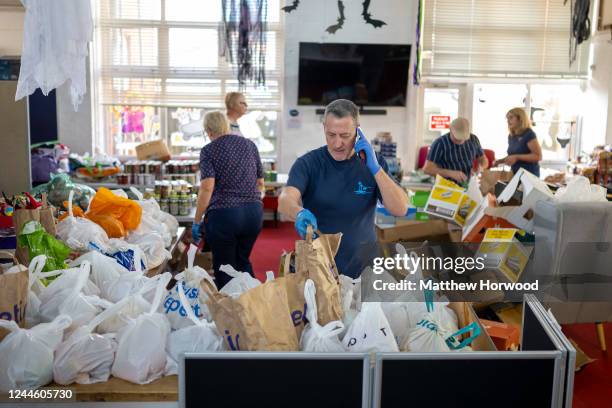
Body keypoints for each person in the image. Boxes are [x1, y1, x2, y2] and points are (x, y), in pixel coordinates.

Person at [278, 99, 408, 278]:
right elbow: (285, 199)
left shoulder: (374, 163)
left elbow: (400, 209)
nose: (337, 143)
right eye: (331, 134)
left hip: (364, 267)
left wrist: (376, 169)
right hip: (319, 268)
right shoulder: (308, 163)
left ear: (358, 130)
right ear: (324, 127)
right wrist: (298, 212)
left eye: (345, 136)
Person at [192, 111, 265, 289]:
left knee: (225, 267)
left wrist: (197, 220)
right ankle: (255, 305)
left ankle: (230, 312)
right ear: (226, 126)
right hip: (253, 214)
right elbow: (261, 182)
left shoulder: (209, 150)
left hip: (225, 216)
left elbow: (207, 187)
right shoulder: (249, 145)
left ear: (208, 131)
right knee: (243, 261)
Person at [423, 117, 488, 184]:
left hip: (468, 184)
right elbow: (427, 169)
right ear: (450, 129)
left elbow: (483, 160)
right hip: (446, 187)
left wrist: (480, 168)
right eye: (457, 137)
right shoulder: (439, 143)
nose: (461, 140)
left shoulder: (473, 139)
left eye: (463, 138)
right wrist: (450, 173)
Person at [494, 107, 542, 177]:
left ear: (520, 119)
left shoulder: (529, 134)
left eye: (511, 118)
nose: (508, 121)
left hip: (529, 176)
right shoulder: (511, 136)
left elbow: (538, 156)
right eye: (507, 118)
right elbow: (512, 156)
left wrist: (517, 157)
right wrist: (499, 161)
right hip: (515, 174)